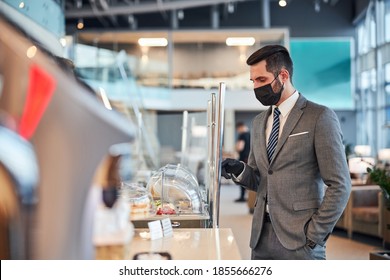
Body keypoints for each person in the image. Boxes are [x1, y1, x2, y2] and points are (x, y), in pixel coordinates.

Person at [221, 45, 351, 260]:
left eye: (261, 80)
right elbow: (260, 177)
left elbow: (340, 184)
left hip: (301, 240)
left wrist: (314, 235)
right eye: (253, 81)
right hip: (260, 238)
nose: (256, 87)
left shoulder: (319, 117)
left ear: (283, 75)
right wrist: (239, 170)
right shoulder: (259, 121)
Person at [234, 122, 250, 202]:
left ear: (240, 127)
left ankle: (242, 197)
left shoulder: (242, 135)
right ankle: (249, 196)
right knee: (249, 177)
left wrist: (236, 147)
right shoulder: (251, 134)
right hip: (250, 158)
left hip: (243, 159)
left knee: (241, 177)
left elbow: (240, 147)